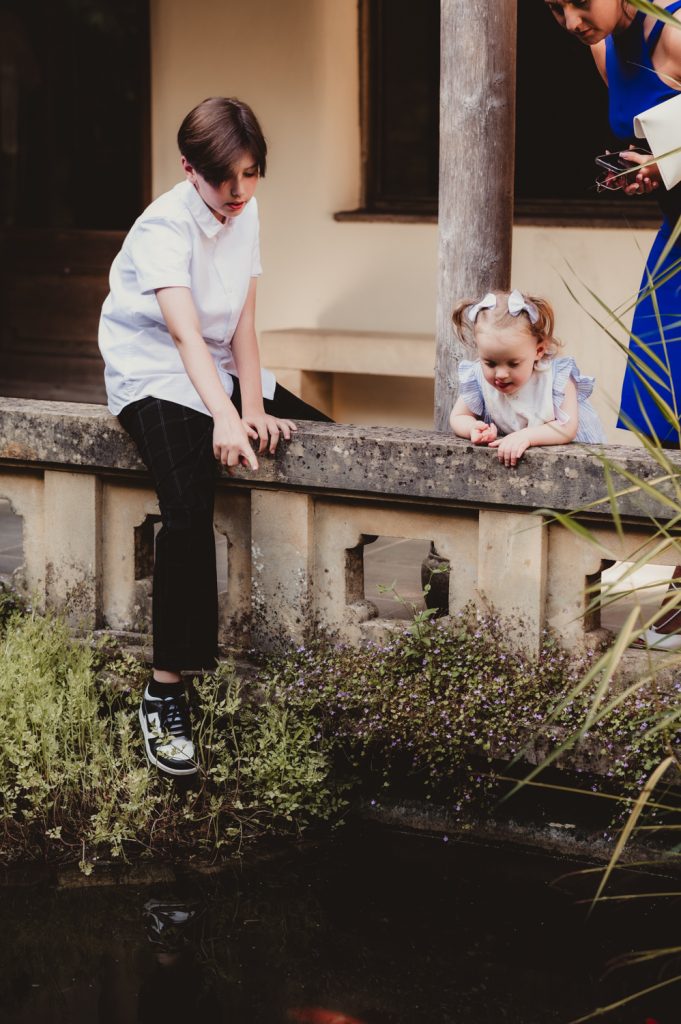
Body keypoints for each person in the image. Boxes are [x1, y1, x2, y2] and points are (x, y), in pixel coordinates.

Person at [99, 97, 331, 776]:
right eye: (223, 179)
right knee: (186, 504)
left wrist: (252, 403)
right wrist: (224, 417)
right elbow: (181, 334)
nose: (238, 193)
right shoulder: (162, 227)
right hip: (154, 374)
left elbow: (243, 323)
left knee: (328, 442)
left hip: (218, 364)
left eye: (251, 175)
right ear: (188, 168)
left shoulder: (244, 208)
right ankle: (165, 688)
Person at [546, 0, 681, 648]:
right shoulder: (601, 48)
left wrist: (666, 163)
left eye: (578, 1)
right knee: (667, 411)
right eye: (552, 7)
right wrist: (647, 174)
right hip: (675, 238)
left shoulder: (675, 34)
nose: (571, 20)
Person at [449, 289, 605, 467]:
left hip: (575, 462)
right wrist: (472, 428)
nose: (500, 374)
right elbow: (458, 416)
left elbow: (567, 428)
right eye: (490, 363)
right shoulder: (477, 377)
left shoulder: (556, 377)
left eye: (513, 364)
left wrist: (527, 436)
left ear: (538, 351)